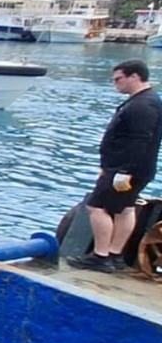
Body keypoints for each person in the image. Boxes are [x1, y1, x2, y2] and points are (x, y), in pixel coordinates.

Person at [67, 60, 161, 273]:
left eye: (119, 79)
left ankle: (101, 256)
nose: (115, 84)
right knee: (125, 209)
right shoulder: (148, 101)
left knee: (96, 206)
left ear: (134, 76)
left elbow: (139, 141)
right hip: (135, 169)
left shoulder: (142, 105)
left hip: (124, 171)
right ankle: (115, 254)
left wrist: (122, 171)